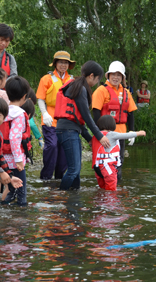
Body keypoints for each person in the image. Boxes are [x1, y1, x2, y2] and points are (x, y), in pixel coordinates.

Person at [54, 61, 110, 190]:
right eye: (97, 79)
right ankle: (60, 195)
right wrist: (99, 136)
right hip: (67, 131)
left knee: (76, 171)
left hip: (69, 130)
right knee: (73, 170)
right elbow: (87, 117)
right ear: (91, 76)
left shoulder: (77, 86)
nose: (97, 82)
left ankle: (74, 196)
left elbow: (79, 120)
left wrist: (90, 139)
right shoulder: (80, 88)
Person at [92, 61, 137, 181]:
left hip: (120, 133)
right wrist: (98, 133)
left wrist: (131, 131)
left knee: (118, 161)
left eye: (119, 75)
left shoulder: (126, 92)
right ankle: (104, 189)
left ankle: (115, 188)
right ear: (108, 75)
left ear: (122, 77)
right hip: (105, 134)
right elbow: (96, 112)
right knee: (103, 161)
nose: (116, 77)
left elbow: (131, 112)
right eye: (113, 74)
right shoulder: (101, 90)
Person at [36, 51, 74, 180]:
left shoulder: (72, 80)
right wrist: (44, 113)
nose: (63, 65)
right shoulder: (46, 79)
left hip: (66, 120)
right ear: (55, 63)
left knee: (63, 151)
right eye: (61, 62)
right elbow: (40, 98)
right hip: (50, 118)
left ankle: (59, 179)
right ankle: (46, 177)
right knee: (52, 145)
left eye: (66, 62)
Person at [0, 76, 31, 206]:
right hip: (15, 158)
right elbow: (14, 137)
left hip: (2, 156)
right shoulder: (19, 114)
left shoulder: (3, 111)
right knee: (21, 192)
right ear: (24, 96)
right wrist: (19, 159)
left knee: (12, 189)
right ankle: (22, 216)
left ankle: (6, 206)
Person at [92, 115, 145, 191]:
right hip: (108, 168)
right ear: (112, 125)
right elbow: (126, 135)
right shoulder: (111, 134)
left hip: (97, 168)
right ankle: (110, 202)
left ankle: (101, 202)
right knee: (111, 190)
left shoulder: (96, 136)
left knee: (103, 189)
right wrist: (139, 133)